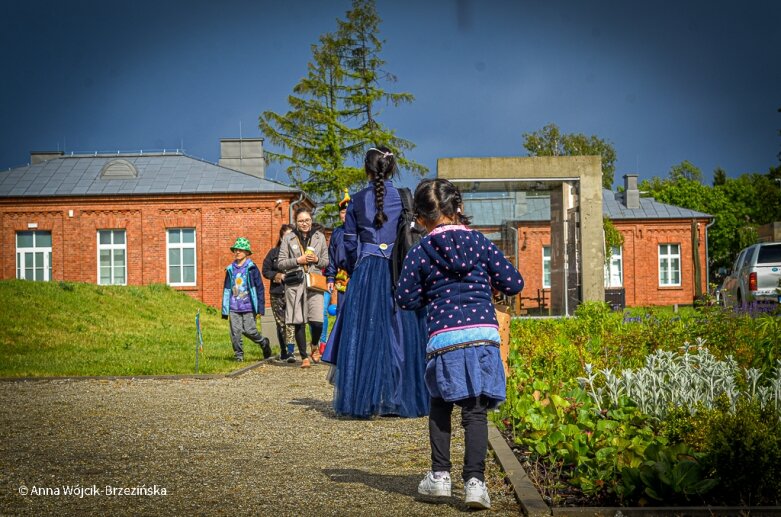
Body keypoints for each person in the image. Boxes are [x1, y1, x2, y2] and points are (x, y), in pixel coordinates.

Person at [395, 178, 524, 510]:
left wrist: (432, 293)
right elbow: (514, 281)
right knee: (475, 412)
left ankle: (439, 478)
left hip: (445, 338)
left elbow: (404, 298)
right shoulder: (480, 243)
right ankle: (475, 485)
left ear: (421, 218)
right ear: (459, 208)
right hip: (483, 335)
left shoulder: (420, 250)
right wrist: (487, 285)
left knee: (440, 404)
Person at [328, 146, 429, 418]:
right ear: (392, 168)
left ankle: (366, 399)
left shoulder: (357, 201)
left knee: (365, 334)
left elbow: (349, 243)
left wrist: (354, 267)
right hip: (399, 270)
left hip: (367, 270)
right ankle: (397, 398)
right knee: (401, 333)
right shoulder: (405, 197)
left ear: (366, 169)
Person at [277, 207, 329, 368]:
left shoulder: (320, 237)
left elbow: (326, 261)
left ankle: (314, 344)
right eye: (301, 221)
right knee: (298, 320)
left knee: (317, 321)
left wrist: (316, 259)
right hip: (295, 283)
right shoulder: (289, 238)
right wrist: (297, 260)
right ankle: (304, 356)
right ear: (296, 222)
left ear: (311, 220)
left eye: (307, 220)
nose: (304, 223)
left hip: (314, 281)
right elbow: (281, 263)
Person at [221, 237, 272, 362]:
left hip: (249, 306)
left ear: (247, 252)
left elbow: (259, 288)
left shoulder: (252, 268)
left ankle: (263, 342)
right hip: (234, 307)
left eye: (240, 249)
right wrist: (225, 309)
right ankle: (239, 355)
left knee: (250, 330)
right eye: (236, 250)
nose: (237, 252)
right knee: (235, 333)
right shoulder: (230, 269)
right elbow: (227, 289)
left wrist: (260, 307)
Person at [262, 224, 296, 363]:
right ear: (281, 238)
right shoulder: (273, 253)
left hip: (293, 291)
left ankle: (291, 351)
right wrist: (278, 276)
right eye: (286, 236)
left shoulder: (297, 253)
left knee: (291, 321)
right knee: (281, 323)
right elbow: (265, 270)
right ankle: (283, 351)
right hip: (277, 292)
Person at [325, 189, 351, 311]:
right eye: (343, 212)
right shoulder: (337, 232)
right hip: (343, 275)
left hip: (359, 274)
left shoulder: (363, 231)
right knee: (343, 310)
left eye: (348, 212)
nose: (345, 215)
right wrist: (330, 277)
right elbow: (331, 256)